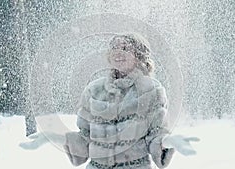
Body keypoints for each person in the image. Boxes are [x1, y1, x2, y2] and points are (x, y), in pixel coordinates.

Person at [63, 33, 197, 169]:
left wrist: (167, 142)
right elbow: (85, 137)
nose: (118, 53)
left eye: (125, 49)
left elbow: (156, 134)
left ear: (139, 56)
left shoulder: (151, 90)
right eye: (115, 48)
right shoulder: (94, 90)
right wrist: (60, 138)